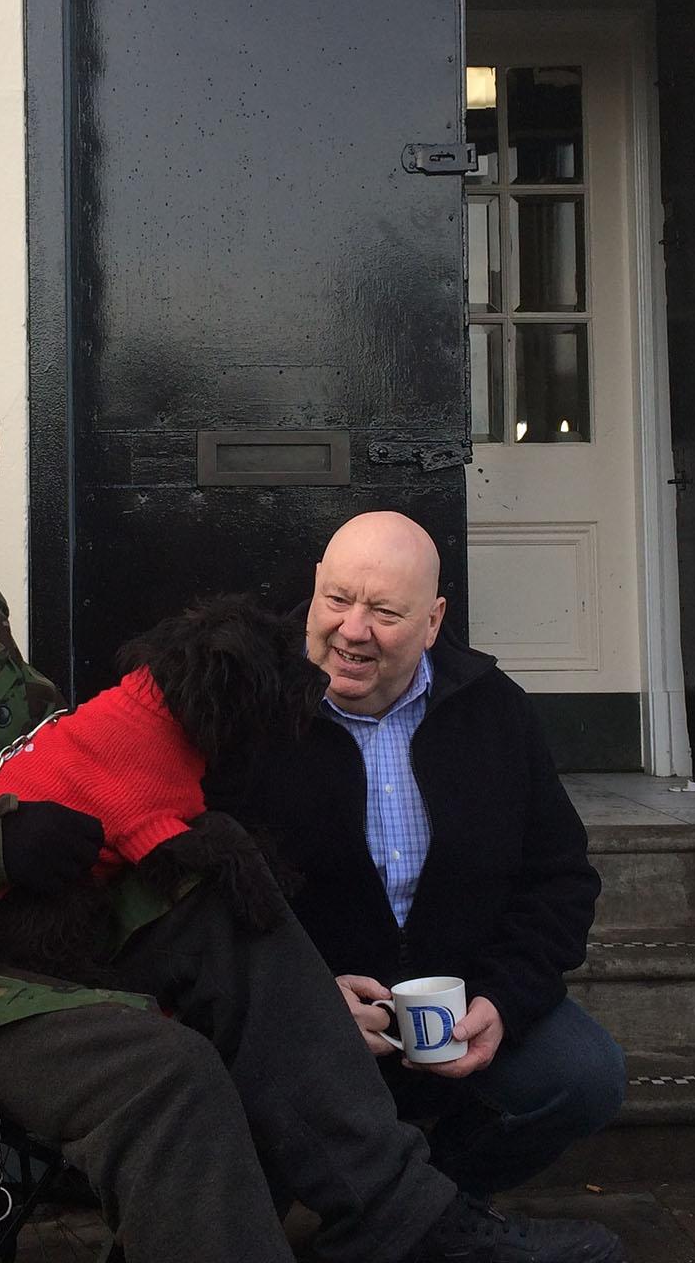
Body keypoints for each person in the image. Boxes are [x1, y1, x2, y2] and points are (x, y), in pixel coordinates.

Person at [0, 369, 625, 1263]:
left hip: (4, 927)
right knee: (165, 1070)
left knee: (224, 900)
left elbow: (39, 743)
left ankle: (406, 1226)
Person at [239, 511, 627, 1200]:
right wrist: (300, 999)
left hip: (457, 1013)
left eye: (385, 612)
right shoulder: (248, 709)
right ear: (315, 588)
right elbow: (196, 892)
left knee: (585, 1075)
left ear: (433, 620)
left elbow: (561, 881)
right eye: (337, 600)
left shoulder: (496, 713)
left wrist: (503, 1000)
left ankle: (422, 1215)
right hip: (303, 1014)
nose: (353, 630)